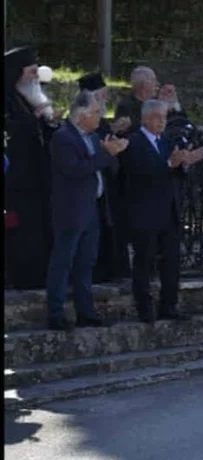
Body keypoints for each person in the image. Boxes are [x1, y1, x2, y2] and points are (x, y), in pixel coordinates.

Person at [46, 91, 127, 330]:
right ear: (81, 116)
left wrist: (113, 152)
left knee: (86, 262)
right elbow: (76, 169)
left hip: (91, 208)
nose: (99, 117)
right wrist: (106, 154)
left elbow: (107, 168)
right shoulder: (63, 138)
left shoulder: (93, 137)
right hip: (71, 209)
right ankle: (56, 312)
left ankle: (85, 310)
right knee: (63, 262)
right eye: (95, 113)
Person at [120, 100, 203, 323]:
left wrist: (185, 163)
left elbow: (176, 172)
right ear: (145, 118)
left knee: (171, 261)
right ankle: (145, 308)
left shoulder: (166, 141)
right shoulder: (134, 142)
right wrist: (169, 164)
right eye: (157, 117)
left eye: (164, 117)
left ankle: (169, 304)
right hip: (145, 211)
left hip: (169, 211)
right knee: (144, 262)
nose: (162, 121)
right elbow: (138, 174)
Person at [5, 46, 58, 290]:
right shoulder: (8, 102)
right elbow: (11, 134)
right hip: (15, 187)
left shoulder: (30, 98)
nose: (36, 78)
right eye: (32, 72)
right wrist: (33, 118)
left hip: (37, 184)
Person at [78, 72, 133, 285]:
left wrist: (113, 131)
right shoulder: (80, 123)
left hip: (106, 185)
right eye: (101, 96)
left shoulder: (99, 122)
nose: (105, 101)